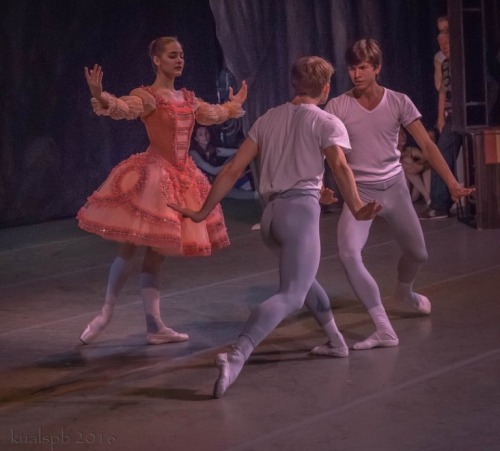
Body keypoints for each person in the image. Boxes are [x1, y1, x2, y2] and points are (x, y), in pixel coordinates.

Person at [169, 56, 381, 398]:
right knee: (292, 294)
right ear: (326, 88)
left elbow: (232, 170)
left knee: (304, 279)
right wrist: (356, 206)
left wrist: (202, 211)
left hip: (270, 218)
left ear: (293, 85)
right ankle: (237, 355)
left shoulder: (267, 119)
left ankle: (336, 341)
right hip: (299, 216)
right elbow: (340, 167)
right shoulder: (327, 122)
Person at [77, 36, 247, 345]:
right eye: (172, 55)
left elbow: (213, 113)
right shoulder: (149, 96)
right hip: (153, 176)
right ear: (157, 60)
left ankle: (155, 326)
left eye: (181, 54)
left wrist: (233, 105)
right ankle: (105, 313)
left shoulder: (187, 98)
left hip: (181, 180)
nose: (179, 60)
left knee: (156, 255)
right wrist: (101, 95)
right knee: (130, 249)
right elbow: (123, 108)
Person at [324, 38, 473, 350]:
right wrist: (321, 188)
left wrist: (452, 183)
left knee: (418, 253)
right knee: (349, 253)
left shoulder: (398, 101)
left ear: (377, 68)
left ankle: (403, 292)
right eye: (352, 67)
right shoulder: (337, 106)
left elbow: (429, 146)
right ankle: (382, 327)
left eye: (363, 67)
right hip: (360, 193)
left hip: (394, 188)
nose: (356, 73)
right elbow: (328, 155)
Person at [420, 31, 464, 219]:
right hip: (454, 114)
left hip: (468, 113)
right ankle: (439, 204)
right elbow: (443, 92)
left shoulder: (466, 60)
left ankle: (445, 202)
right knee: (442, 152)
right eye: (441, 44)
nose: (444, 47)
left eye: (447, 43)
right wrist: (440, 117)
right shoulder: (446, 64)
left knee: (447, 153)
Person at [189, 124, 256, 199]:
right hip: (205, 184)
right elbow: (213, 171)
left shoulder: (213, 149)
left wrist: (250, 149)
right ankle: (255, 195)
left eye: (206, 133)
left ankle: (251, 187)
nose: (205, 136)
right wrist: (233, 166)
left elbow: (235, 152)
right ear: (196, 138)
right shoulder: (193, 154)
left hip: (219, 178)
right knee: (224, 189)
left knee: (236, 157)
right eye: (200, 135)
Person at [399, 127, 433, 205]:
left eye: (404, 134)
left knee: (426, 167)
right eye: (399, 134)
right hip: (402, 194)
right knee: (408, 162)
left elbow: (429, 159)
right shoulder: (391, 153)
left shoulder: (410, 150)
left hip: (414, 193)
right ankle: (427, 196)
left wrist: (420, 166)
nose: (402, 137)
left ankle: (429, 197)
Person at [433, 16, 449, 92]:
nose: (443, 33)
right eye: (441, 30)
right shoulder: (439, 57)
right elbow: (439, 86)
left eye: (446, 29)